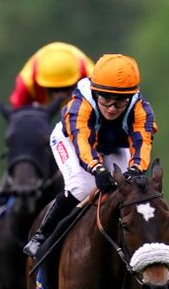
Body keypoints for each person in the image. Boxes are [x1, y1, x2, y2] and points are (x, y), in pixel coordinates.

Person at [22, 53, 156, 258]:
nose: (112, 107)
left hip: (113, 145)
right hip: (71, 140)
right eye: (106, 98)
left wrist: (136, 169)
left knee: (135, 189)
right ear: (95, 92)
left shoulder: (141, 109)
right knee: (81, 187)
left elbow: (143, 143)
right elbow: (82, 141)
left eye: (120, 100)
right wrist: (97, 169)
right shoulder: (81, 104)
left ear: (131, 96)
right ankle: (42, 235)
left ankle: (158, 244)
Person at [0, 42, 95, 236]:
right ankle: (1, 203)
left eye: (67, 89)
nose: (61, 96)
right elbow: (20, 120)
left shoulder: (92, 75)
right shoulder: (26, 82)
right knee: (25, 143)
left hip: (83, 115)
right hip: (39, 115)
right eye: (54, 90)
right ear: (43, 85)